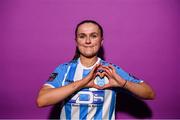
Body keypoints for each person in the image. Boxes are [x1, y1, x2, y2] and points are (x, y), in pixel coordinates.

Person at [37, 20, 155, 120]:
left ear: (101, 41)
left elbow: (149, 93)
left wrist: (123, 83)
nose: (88, 41)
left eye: (93, 36)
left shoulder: (111, 70)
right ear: (76, 42)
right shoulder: (64, 69)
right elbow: (42, 100)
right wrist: (82, 83)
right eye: (82, 36)